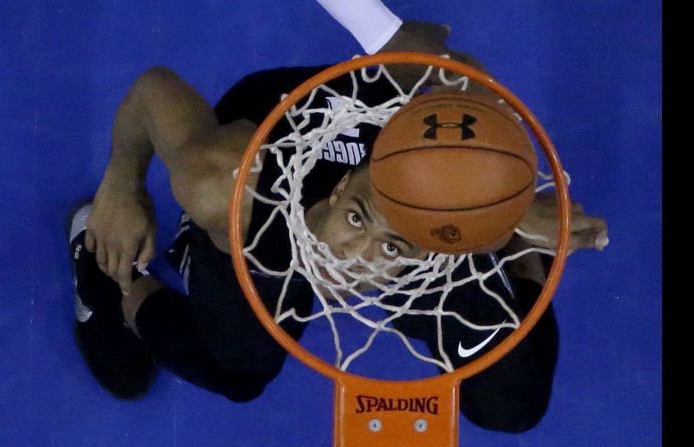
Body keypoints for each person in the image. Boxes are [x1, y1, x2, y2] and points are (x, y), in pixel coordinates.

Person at [68, 0, 608, 434]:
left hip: (430, 212)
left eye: (390, 247)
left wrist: (503, 214)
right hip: (273, 195)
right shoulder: (233, 184)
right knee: (242, 367)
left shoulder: (450, 118)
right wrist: (120, 184)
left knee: (512, 405)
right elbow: (153, 89)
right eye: (355, 219)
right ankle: (116, 288)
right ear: (346, 186)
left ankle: (511, 257)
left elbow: (470, 108)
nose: (352, 260)